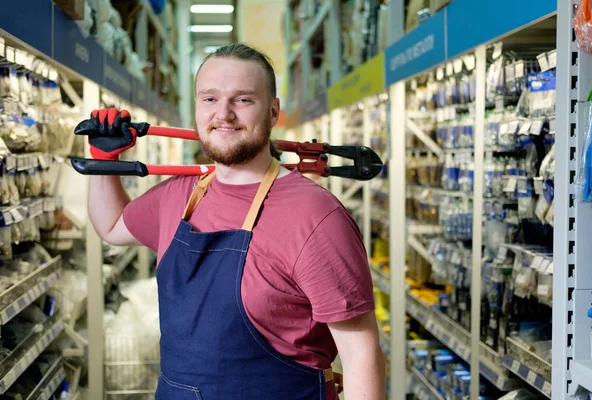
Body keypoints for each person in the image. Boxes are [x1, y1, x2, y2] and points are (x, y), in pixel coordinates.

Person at [84, 43, 386, 400]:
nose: (223, 114)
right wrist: (103, 160)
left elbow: (361, 355)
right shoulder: (178, 195)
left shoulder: (316, 217)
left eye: (243, 100)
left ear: (273, 112)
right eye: (210, 99)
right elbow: (112, 226)